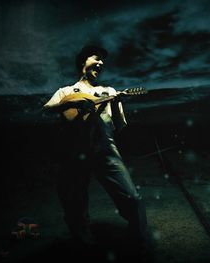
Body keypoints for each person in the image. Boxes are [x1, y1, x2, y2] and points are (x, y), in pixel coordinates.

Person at [43, 45, 147, 249]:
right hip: (74, 151)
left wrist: (116, 102)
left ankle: (138, 237)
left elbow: (119, 125)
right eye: (97, 58)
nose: (101, 63)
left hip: (105, 148)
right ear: (83, 61)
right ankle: (82, 241)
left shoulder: (108, 91)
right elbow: (47, 110)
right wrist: (71, 104)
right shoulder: (65, 91)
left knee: (131, 196)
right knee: (74, 200)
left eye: (103, 61)